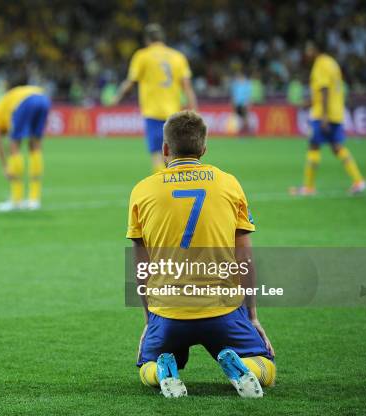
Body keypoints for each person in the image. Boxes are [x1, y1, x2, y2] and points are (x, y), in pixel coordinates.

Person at [127, 111, 276, 398]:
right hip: (222, 310)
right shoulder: (228, 183)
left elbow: (140, 266)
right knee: (266, 367)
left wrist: (149, 321)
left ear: (165, 149)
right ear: (204, 149)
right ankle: (246, 370)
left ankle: (161, 372)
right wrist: (252, 316)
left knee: (147, 365)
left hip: (168, 312)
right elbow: (245, 259)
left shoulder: (142, 190)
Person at [112, 23, 197, 172]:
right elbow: (187, 87)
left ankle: (163, 189)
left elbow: (130, 82)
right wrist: (194, 110)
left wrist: (116, 98)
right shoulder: (178, 57)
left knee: (157, 154)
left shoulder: (142, 56)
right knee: (175, 155)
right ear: (162, 39)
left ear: (147, 40)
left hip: (153, 113)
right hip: (173, 114)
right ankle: (178, 186)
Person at [290, 40, 366, 196]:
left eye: (308, 51)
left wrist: (323, 115)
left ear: (314, 50)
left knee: (313, 146)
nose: (306, 54)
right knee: (337, 147)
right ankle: (359, 181)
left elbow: (324, 89)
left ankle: (308, 187)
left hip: (322, 114)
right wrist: (310, 102)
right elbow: (329, 90)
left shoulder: (320, 64)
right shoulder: (333, 63)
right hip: (336, 112)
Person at [0, 84, 51, 212]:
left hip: (24, 102)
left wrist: (5, 166)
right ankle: (34, 200)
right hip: (43, 98)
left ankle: (16, 200)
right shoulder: (6, 105)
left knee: (14, 146)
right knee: (35, 146)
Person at [230, 66, 252, 134]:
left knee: (245, 117)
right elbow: (233, 95)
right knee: (239, 118)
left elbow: (248, 94)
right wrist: (233, 104)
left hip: (244, 103)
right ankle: (242, 131)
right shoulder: (235, 84)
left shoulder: (247, 83)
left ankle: (247, 131)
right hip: (237, 104)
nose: (237, 77)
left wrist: (248, 103)